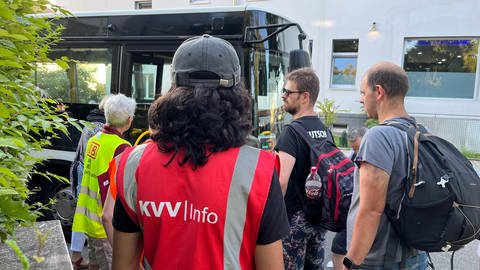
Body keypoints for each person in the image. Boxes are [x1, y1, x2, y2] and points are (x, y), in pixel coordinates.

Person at [111, 34, 289, 270]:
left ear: (172, 89)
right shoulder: (259, 171)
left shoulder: (133, 163)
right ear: (237, 93)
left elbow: (123, 266)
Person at [343, 62, 428, 269]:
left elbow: (371, 210)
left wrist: (350, 263)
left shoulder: (378, 136)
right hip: (416, 255)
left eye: (364, 93)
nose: (361, 99)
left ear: (379, 92)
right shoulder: (422, 132)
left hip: (380, 261)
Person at [274, 67, 332, 269]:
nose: (283, 96)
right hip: (319, 218)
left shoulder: (291, 132)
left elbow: (281, 180)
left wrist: (272, 218)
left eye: (288, 92)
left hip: (294, 220)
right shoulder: (324, 130)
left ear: (305, 97)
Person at [72, 93, 136, 270]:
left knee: (94, 264)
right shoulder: (122, 148)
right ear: (129, 120)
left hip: (89, 220)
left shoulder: (94, 140)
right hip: (104, 226)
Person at [70, 95, 110, 269]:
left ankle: (77, 255)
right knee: (88, 216)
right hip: (91, 176)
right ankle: (76, 255)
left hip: (82, 171)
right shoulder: (100, 129)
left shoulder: (89, 123)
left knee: (82, 214)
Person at [330, 126, 368, 270]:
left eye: (359, 147)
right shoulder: (352, 155)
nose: (357, 152)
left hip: (366, 212)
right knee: (338, 247)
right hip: (352, 210)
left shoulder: (376, 157)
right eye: (354, 149)